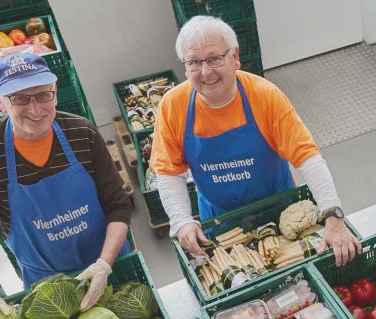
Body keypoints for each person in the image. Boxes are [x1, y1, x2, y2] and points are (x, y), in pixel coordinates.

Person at [151, 16, 361, 266]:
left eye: (214, 59)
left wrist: (333, 214)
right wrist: (182, 220)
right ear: (185, 66)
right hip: (220, 221)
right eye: (194, 62)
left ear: (235, 57)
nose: (205, 72)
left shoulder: (264, 95)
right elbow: (168, 173)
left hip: (280, 210)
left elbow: (308, 157)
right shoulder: (173, 106)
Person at [0, 53, 133, 319]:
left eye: (42, 94)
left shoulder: (82, 133)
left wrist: (104, 265)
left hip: (109, 266)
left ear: (55, 93)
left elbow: (118, 205)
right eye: (20, 98)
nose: (35, 108)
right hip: (46, 290)